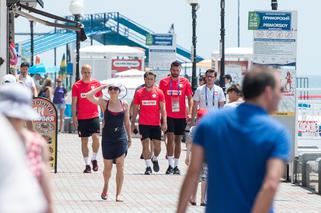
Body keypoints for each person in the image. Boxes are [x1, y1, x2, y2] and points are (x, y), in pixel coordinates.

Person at [177, 67, 291, 213]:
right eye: (279, 89)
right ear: (268, 92)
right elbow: (270, 185)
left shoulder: (209, 124)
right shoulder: (276, 133)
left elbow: (193, 173)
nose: (281, 95)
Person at [0, 84, 52, 213]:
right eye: (6, 117)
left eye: (17, 117)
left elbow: (46, 192)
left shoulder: (37, 145)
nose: (11, 122)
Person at [85, 82, 131, 202]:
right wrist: (101, 88)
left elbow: (127, 122)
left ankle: (119, 193)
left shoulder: (124, 104)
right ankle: (106, 185)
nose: (113, 91)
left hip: (120, 137)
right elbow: (88, 96)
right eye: (111, 89)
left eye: (116, 89)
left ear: (119, 91)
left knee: (120, 165)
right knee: (108, 167)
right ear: (108, 91)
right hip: (107, 138)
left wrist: (130, 138)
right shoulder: (104, 103)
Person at [159, 61, 193, 175]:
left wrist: (190, 113)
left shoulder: (185, 82)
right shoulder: (163, 82)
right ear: (170, 70)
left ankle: (176, 165)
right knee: (170, 138)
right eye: (174, 70)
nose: (175, 72)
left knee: (178, 140)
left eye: (177, 70)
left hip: (181, 115)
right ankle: (170, 165)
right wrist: (161, 115)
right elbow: (160, 99)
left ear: (180, 70)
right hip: (168, 115)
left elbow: (190, 98)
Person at [131, 71, 167, 175]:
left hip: (155, 124)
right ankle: (148, 167)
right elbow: (135, 110)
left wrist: (164, 122)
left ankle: (154, 158)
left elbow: (163, 109)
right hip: (143, 123)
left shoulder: (159, 92)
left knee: (158, 147)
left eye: (151, 79)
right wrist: (133, 124)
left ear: (154, 80)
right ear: (144, 79)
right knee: (145, 144)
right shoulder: (139, 93)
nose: (149, 81)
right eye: (147, 79)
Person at [72, 64, 102, 173]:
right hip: (82, 118)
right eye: (85, 72)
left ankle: (94, 158)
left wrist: (105, 116)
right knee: (84, 141)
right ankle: (87, 164)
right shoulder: (76, 86)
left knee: (96, 138)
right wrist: (74, 117)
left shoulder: (96, 84)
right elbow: (74, 102)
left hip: (94, 116)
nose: (87, 74)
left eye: (89, 72)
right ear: (81, 73)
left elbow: (101, 100)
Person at [185, 108, 207, 207]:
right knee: (205, 178)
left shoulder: (193, 129)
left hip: (196, 157)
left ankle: (193, 198)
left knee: (195, 177)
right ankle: (203, 199)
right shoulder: (210, 128)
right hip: (207, 157)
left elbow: (189, 143)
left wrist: (187, 157)